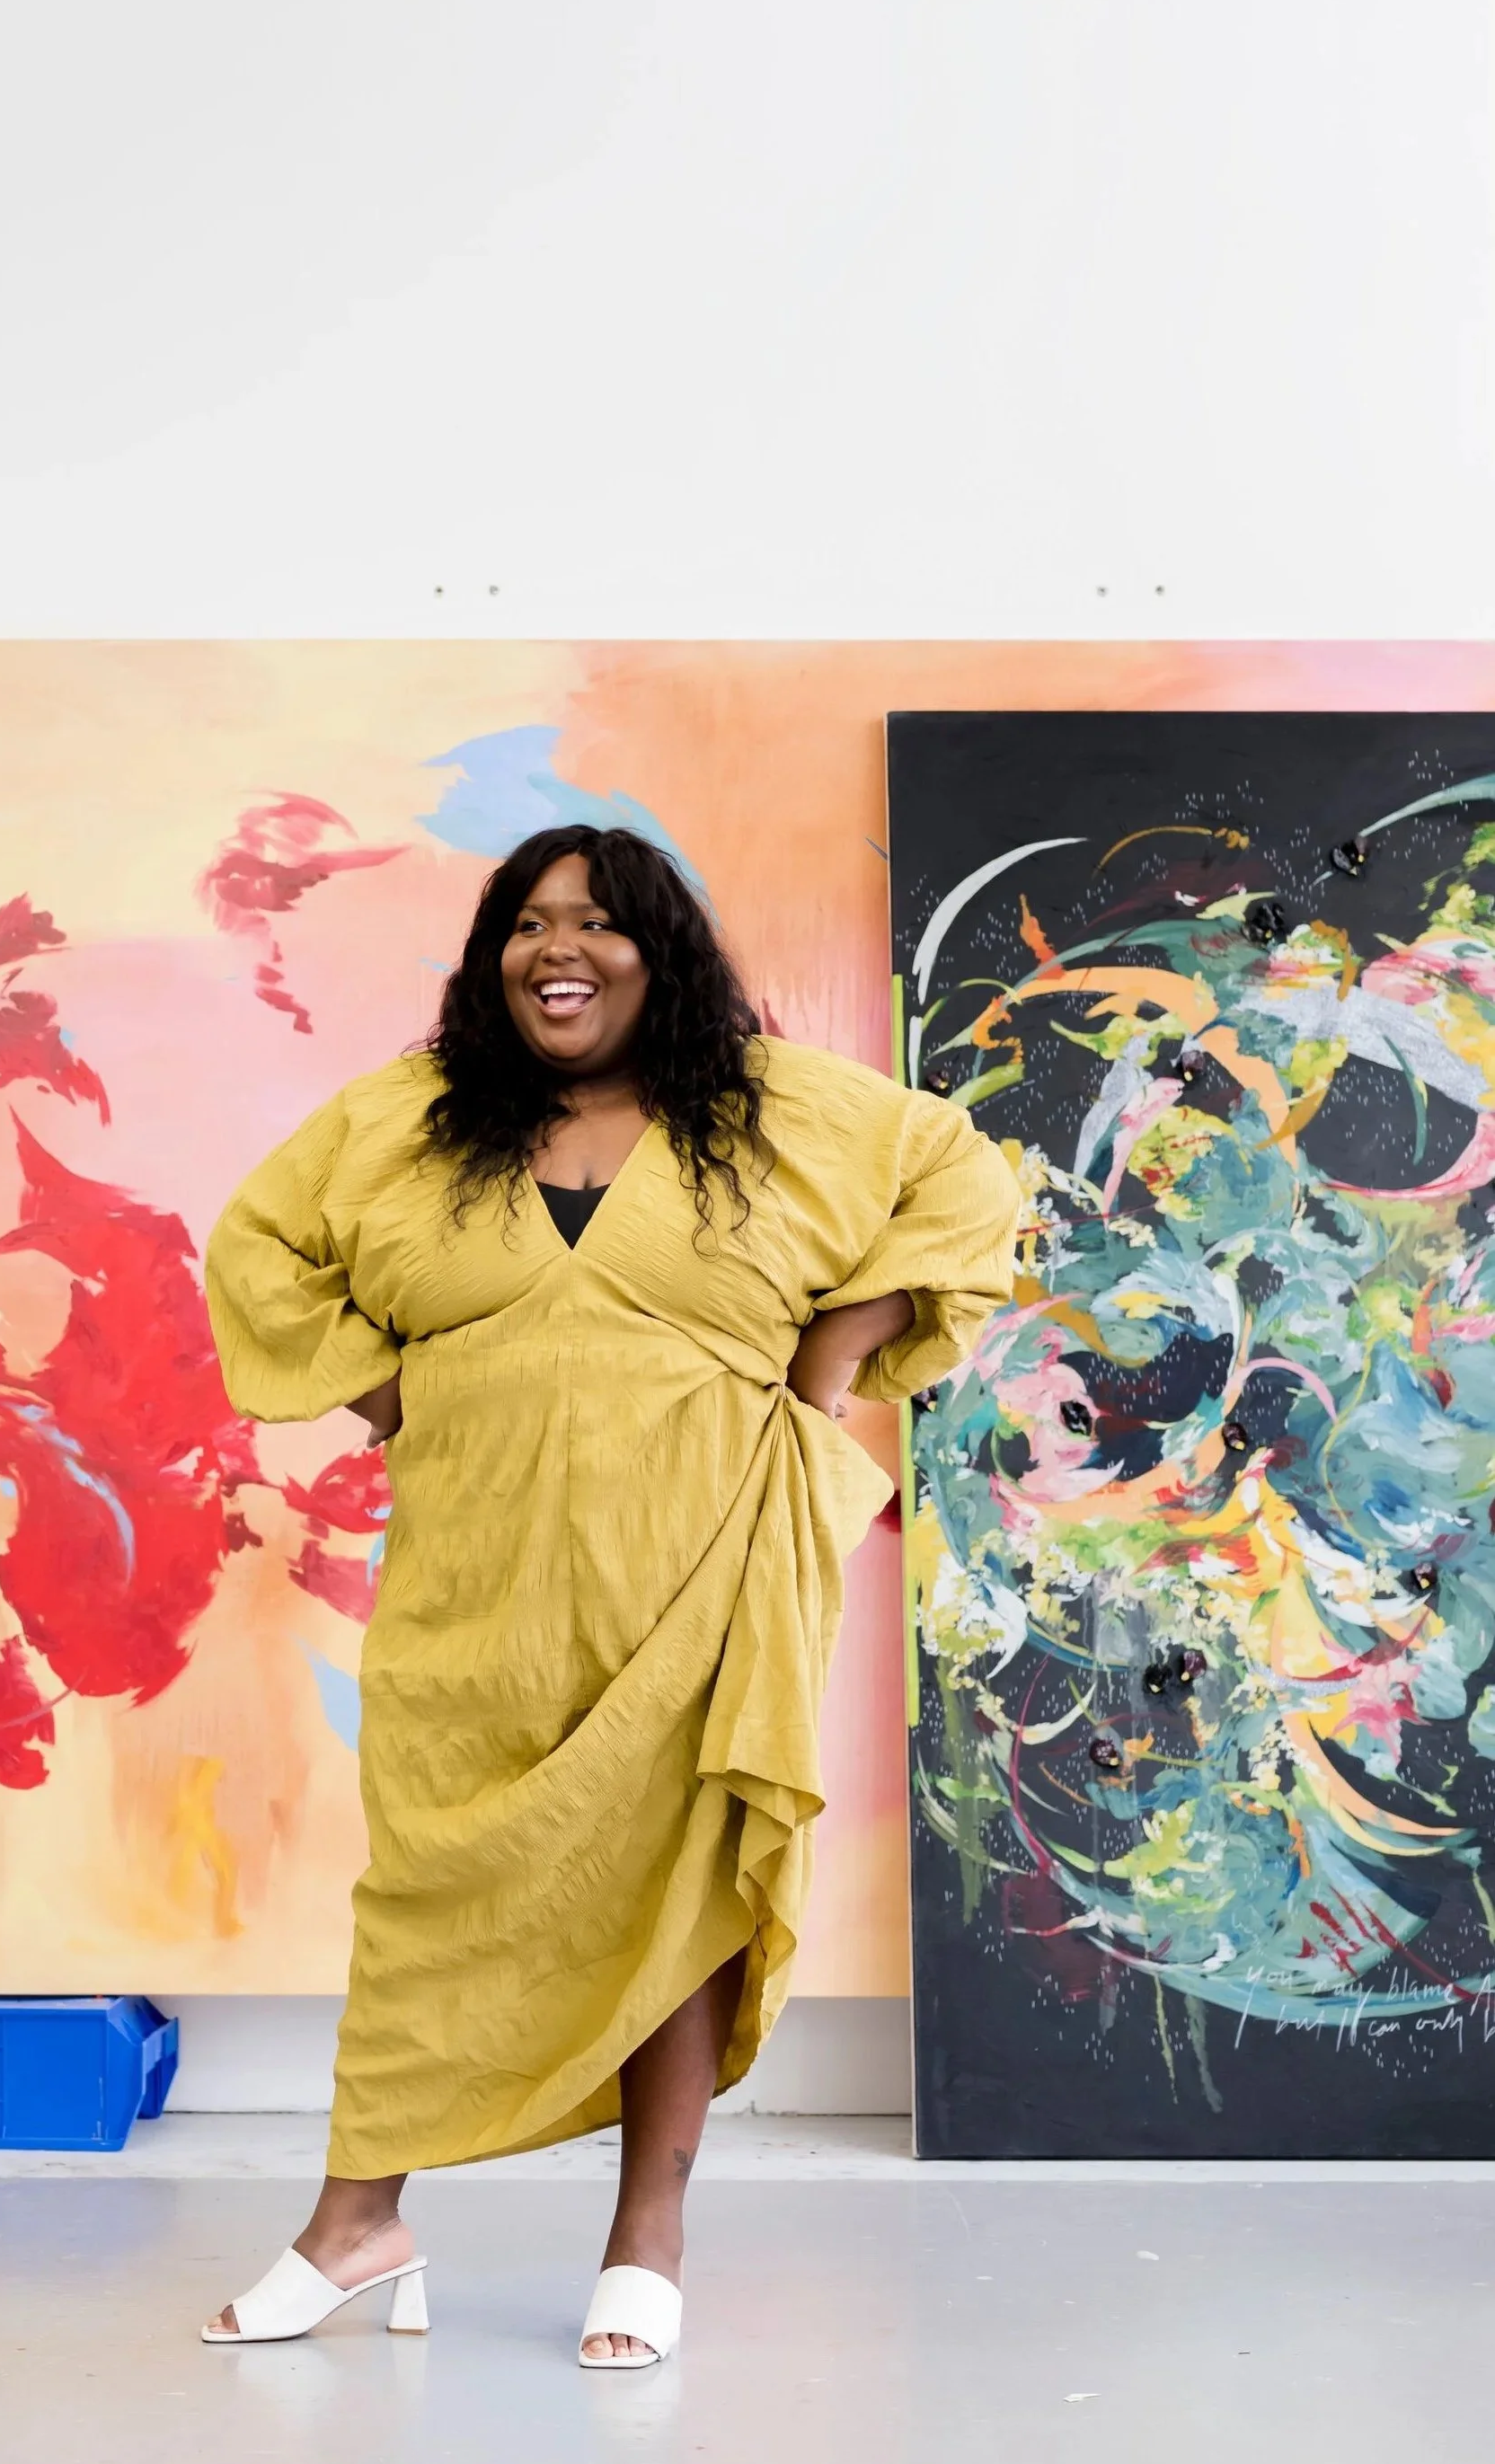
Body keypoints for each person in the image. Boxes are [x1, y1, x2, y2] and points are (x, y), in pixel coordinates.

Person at [199, 824, 1018, 2365]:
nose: (553, 950)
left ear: (659, 949)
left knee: (677, 1888)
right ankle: (360, 2221)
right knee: (428, 1894)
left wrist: (835, 1357)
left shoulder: (777, 1116)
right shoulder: (414, 1118)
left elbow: (964, 1181)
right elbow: (258, 1248)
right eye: (524, 923)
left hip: (707, 1562)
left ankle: (648, 2236)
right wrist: (392, 1397)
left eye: (592, 923)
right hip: (475, 1578)